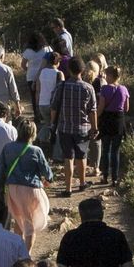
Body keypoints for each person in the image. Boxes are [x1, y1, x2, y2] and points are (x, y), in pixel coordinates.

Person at [0, 120, 53, 248]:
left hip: (13, 189)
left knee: (18, 220)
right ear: (33, 133)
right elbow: (46, 171)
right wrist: (49, 179)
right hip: (30, 189)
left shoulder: (8, 148)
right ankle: (26, 254)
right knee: (29, 223)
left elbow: (1, 169)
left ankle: (18, 250)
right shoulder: (36, 150)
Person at [50, 60, 98, 195]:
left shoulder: (61, 86)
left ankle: (68, 188)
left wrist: (53, 124)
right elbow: (92, 111)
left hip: (65, 127)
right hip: (83, 128)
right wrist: (94, 128)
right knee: (82, 157)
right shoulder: (88, 88)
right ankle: (82, 183)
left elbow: (54, 107)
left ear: (69, 70)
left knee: (68, 158)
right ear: (82, 71)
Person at [96, 66, 131, 186]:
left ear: (110, 76)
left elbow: (101, 107)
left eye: (107, 75)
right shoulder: (124, 89)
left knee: (106, 149)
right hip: (119, 121)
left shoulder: (105, 89)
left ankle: (105, 176)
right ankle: (115, 178)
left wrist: (95, 118)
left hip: (107, 121)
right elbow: (126, 108)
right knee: (116, 151)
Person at [35, 51, 64, 150]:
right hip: (53, 105)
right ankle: (52, 147)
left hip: (42, 104)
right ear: (57, 62)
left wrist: (37, 103)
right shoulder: (59, 73)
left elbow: (38, 89)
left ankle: (41, 141)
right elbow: (61, 90)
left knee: (47, 124)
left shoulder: (42, 72)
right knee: (55, 126)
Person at [20, 33, 52, 123]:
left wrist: (28, 70)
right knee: (44, 95)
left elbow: (23, 65)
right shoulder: (47, 49)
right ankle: (44, 116)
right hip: (44, 75)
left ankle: (36, 116)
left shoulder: (28, 51)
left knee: (34, 96)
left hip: (31, 76)